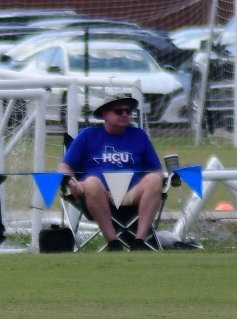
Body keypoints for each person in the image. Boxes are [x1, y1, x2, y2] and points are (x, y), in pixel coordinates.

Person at [60, 92, 166, 250]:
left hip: (133, 193)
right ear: (105, 115)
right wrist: (71, 182)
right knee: (91, 182)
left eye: (128, 112)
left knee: (154, 180)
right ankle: (113, 242)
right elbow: (65, 166)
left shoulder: (139, 136)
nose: (125, 115)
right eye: (119, 111)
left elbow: (156, 170)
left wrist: (159, 180)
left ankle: (139, 241)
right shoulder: (88, 136)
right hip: (100, 194)